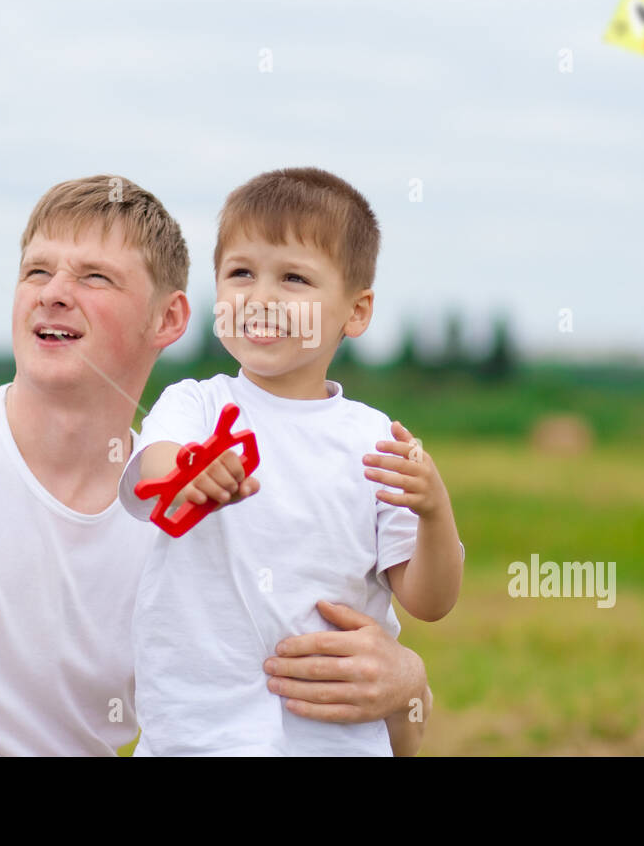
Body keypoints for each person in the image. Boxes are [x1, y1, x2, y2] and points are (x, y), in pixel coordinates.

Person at [0, 174, 434, 755]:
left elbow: (303, 711)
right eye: (36, 270)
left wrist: (405, 688)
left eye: (94, 275)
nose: (54, 290)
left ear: (169, 319)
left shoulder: (198, 518)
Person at [119, 168, 463, 755]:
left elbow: (429, 601)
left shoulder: (375, 440)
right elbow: (155, 474)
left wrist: (435, 513)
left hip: (333, 738)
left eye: (294, 277)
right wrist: (193, 470)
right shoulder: (196, 405)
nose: (261, 296)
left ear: (355, 312)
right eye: (241, 273)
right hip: (195, 736)